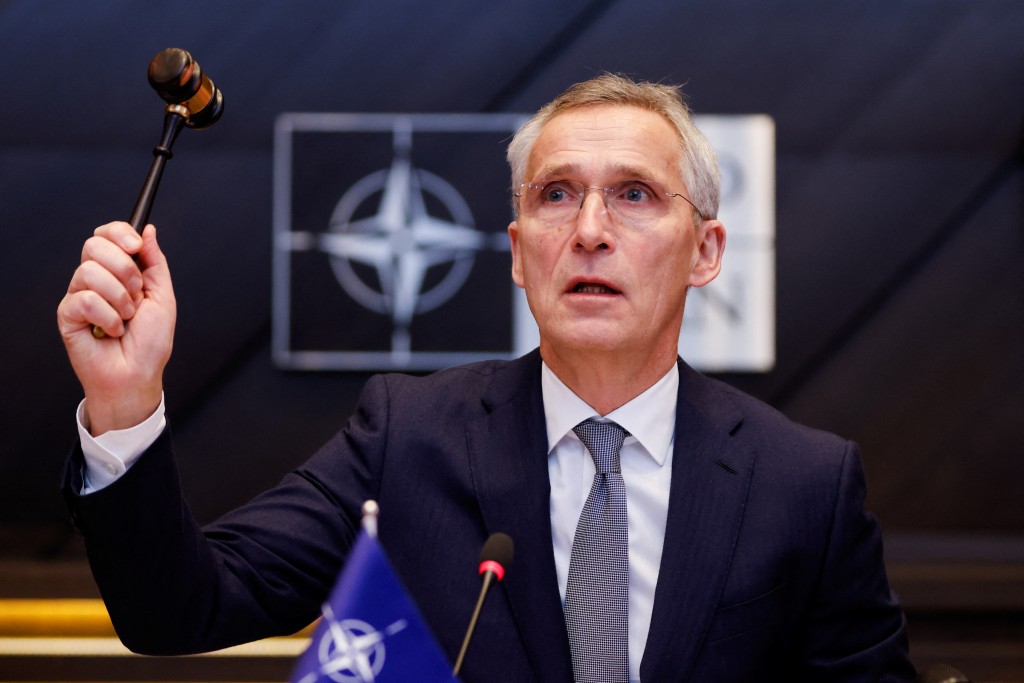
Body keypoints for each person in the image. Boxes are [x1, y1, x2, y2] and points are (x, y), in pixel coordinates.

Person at [57, 74, 915, 682]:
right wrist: (124, 403)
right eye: (556, 195)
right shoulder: (407, 436)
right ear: (517, 252)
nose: (589, 230)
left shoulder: (804, 481)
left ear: (705, 250)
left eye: (634, 195)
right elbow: (181, 608)